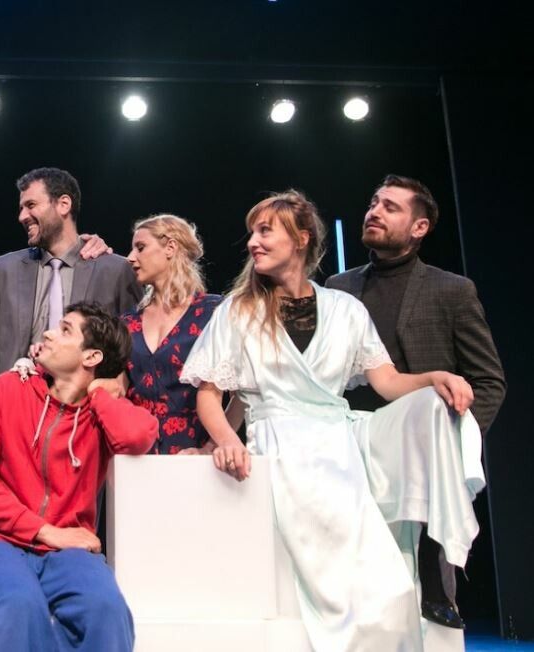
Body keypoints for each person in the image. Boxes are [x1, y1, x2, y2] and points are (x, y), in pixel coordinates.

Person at [181, 190, 485, 650]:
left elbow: (387, 382)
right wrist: (226, 440)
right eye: (252, 233)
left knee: (387, 591)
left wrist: (434, 378)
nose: (253, 243)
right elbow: (210, 393)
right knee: (314, 588)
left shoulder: (346, 310)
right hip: (279, 448)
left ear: (301, 238)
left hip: (340, 451)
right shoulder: (239, 310)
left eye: (265, 231)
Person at [326, 174, 506, 629]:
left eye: (390, 207)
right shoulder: (338, 288)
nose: (374, 211)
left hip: (421, 457)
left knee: (428, 610)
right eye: (373, 202)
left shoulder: (451, 290)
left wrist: (453, 442)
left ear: (420, 227)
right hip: (352, 451)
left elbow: (488, 381)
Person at [0, 302, 158, 652]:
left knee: (107, 611)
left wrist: (97, 393)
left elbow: (138, 435)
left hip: (68, 556)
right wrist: (46, 532)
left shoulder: (99, 413)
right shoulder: (9, 389)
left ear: (91, 357)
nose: (48, 334)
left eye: (65, 330)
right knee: (19, 605)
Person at [0, 167, 139, 393]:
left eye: (31, 205)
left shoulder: (115, 270)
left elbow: (131, 350)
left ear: (64, 204)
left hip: (84, 407)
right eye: (21, 208)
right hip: (13, 403)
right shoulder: (2, 269)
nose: (22, 216)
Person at [120, 214, 227, 454]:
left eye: (140, 247)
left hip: (194, 457)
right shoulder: (128, 323)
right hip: (137, 458)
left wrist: (214, 445)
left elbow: (241, 393)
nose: (131, 257)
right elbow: (118, 391)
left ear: (170, 247)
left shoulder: (212, 312)